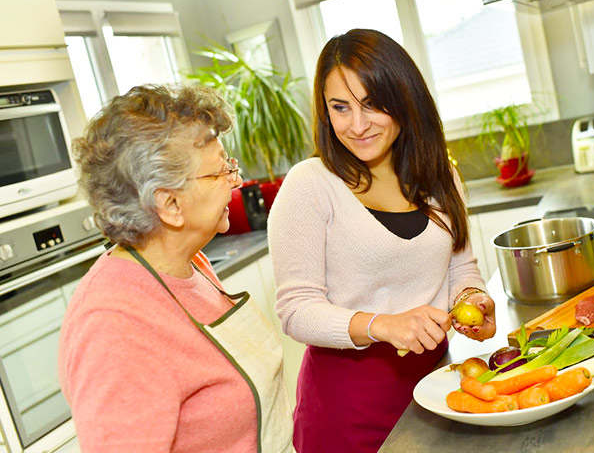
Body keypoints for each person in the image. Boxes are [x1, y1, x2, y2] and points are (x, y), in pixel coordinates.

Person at [267, 29, 496, 452]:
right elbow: (295, 310)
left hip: (440, 388)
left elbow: (460, 268)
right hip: (347, 410)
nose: (357, 125)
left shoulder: (440, 176)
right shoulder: (310, 185)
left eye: (372, 104)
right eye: (340, 108)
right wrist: (383, 325)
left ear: (404, 99)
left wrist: (474, 300)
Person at [58, 84, 293, 452]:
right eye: (220, 173)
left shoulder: (187, 262)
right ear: (169, 204)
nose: (236, 182)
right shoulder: (113, 328)